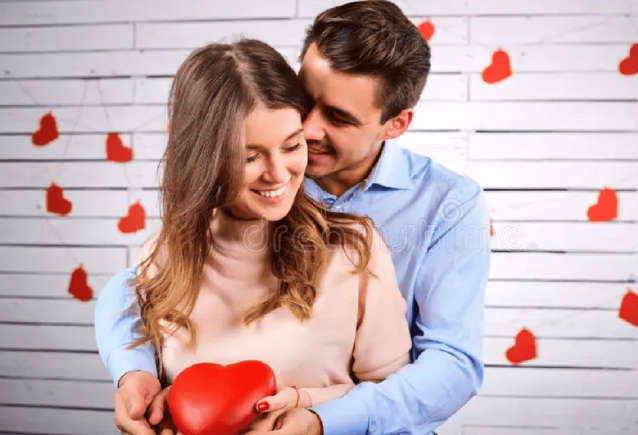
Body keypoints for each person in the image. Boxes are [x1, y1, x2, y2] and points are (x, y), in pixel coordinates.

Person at [96, 1, 490, 434]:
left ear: (395, 124)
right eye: (305, 101)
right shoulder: (257, 180)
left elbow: (451, 365)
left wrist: (320, 418)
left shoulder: (445, 204)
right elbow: (137, 286)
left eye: (338, 117)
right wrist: (135, 370)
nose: (309, 128)